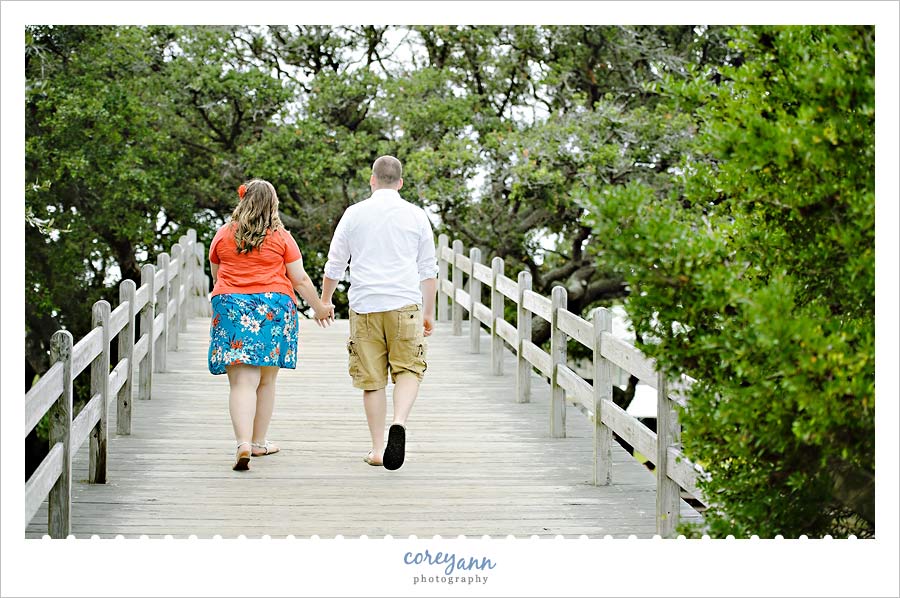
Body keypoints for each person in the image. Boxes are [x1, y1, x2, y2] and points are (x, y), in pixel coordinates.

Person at [321, 155, 438, 471]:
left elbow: (335, 263)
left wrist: (325, 300)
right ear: (400, 182)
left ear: (372, 180)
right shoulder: (416, 215)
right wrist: (428, 312)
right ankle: (398, 422)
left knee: (372, 381)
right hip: (405, 305)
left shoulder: (354, 214)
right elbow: (428, 269)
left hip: (365, 306)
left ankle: (376, 449)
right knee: (409, 369)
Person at [208, 179, 334, 471]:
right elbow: (300, 279)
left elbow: (216, 273)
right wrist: (319, 309)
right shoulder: (281, 237)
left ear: (243, 201)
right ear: (273, 204)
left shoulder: (223, 235)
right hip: (272, 310)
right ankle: (258, 443)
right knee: (266, 381)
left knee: (242, 382)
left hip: (231, 307)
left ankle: (242, 443)